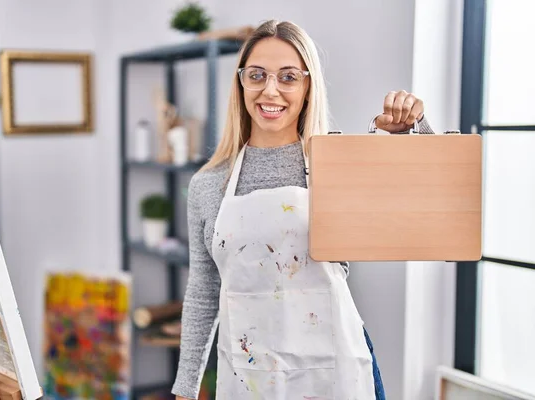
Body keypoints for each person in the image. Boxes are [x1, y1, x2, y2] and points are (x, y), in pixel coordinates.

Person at [171, 19, 434, 400]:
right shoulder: (209, 184)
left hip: (337, 373)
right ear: (241, 82)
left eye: (289, 77)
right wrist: (185, 388)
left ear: (308, 85)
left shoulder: (337, 162)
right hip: (249, 376)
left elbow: (427, 205)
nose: (270, 90)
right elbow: (203, 291)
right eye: (257, 75)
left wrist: (414, 126)